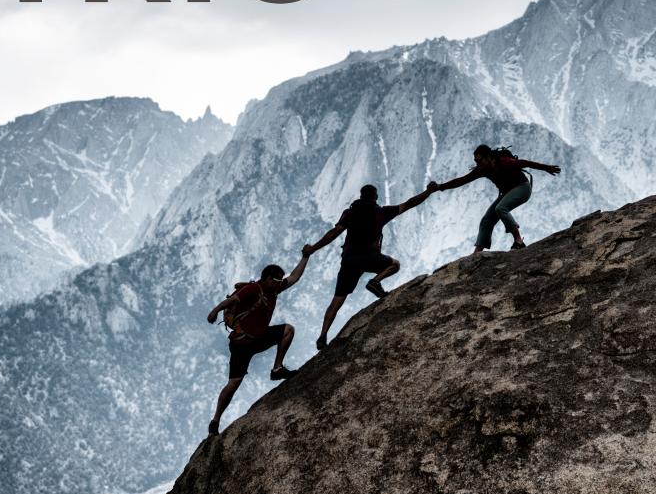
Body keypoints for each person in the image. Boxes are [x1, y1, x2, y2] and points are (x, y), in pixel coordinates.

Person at [303, 183, 434, 350]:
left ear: (360, 196)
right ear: (376, 197)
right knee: (395, 264)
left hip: (349, 260)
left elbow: (334, 232)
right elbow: (409, 203)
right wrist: (428, 192)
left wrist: (313, 248)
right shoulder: (381, 212)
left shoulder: (350, 213)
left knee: (337, 301)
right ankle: (375, 281)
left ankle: (322, 336)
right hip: (370, 257)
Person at [205, 254, 310, 436]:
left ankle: (277, 369)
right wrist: (215, 311)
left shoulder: (274, 290)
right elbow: (232, 301)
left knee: (288, 330)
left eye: (280, 280)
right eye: (277, 279)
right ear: (268, 278)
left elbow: (294, 278)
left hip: (259, 337)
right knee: (234, 383)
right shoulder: (254, 288)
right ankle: (215, 420)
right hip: (241, 344)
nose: (280, 283)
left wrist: (305, 256)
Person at [432, 144, 561, 254]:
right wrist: (440, 187)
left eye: (479, 160)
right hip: (508, 193)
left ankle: (518, 241)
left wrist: (546, 168)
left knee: (501, 208)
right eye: (476, 161)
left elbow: (525, 163)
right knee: (487, 219)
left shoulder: (503, 162)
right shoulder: (482, 169)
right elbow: (461, 180)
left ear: (488, 157)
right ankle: (478, 252)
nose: (478, 163)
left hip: (523, 188)